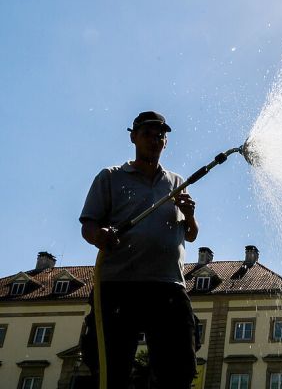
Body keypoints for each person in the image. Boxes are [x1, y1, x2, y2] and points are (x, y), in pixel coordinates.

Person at [79, 111, 199, 388]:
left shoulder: (177, 182)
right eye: (147, 133)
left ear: (166, 143)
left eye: (161, 135)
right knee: (110, 367)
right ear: (133, 137)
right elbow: (88, 225)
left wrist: (190, 215)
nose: (155, 139)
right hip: (119, 286)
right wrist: (100, 236)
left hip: (168, 286)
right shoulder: (110, 177)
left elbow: (191, 235)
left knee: (179, 368)